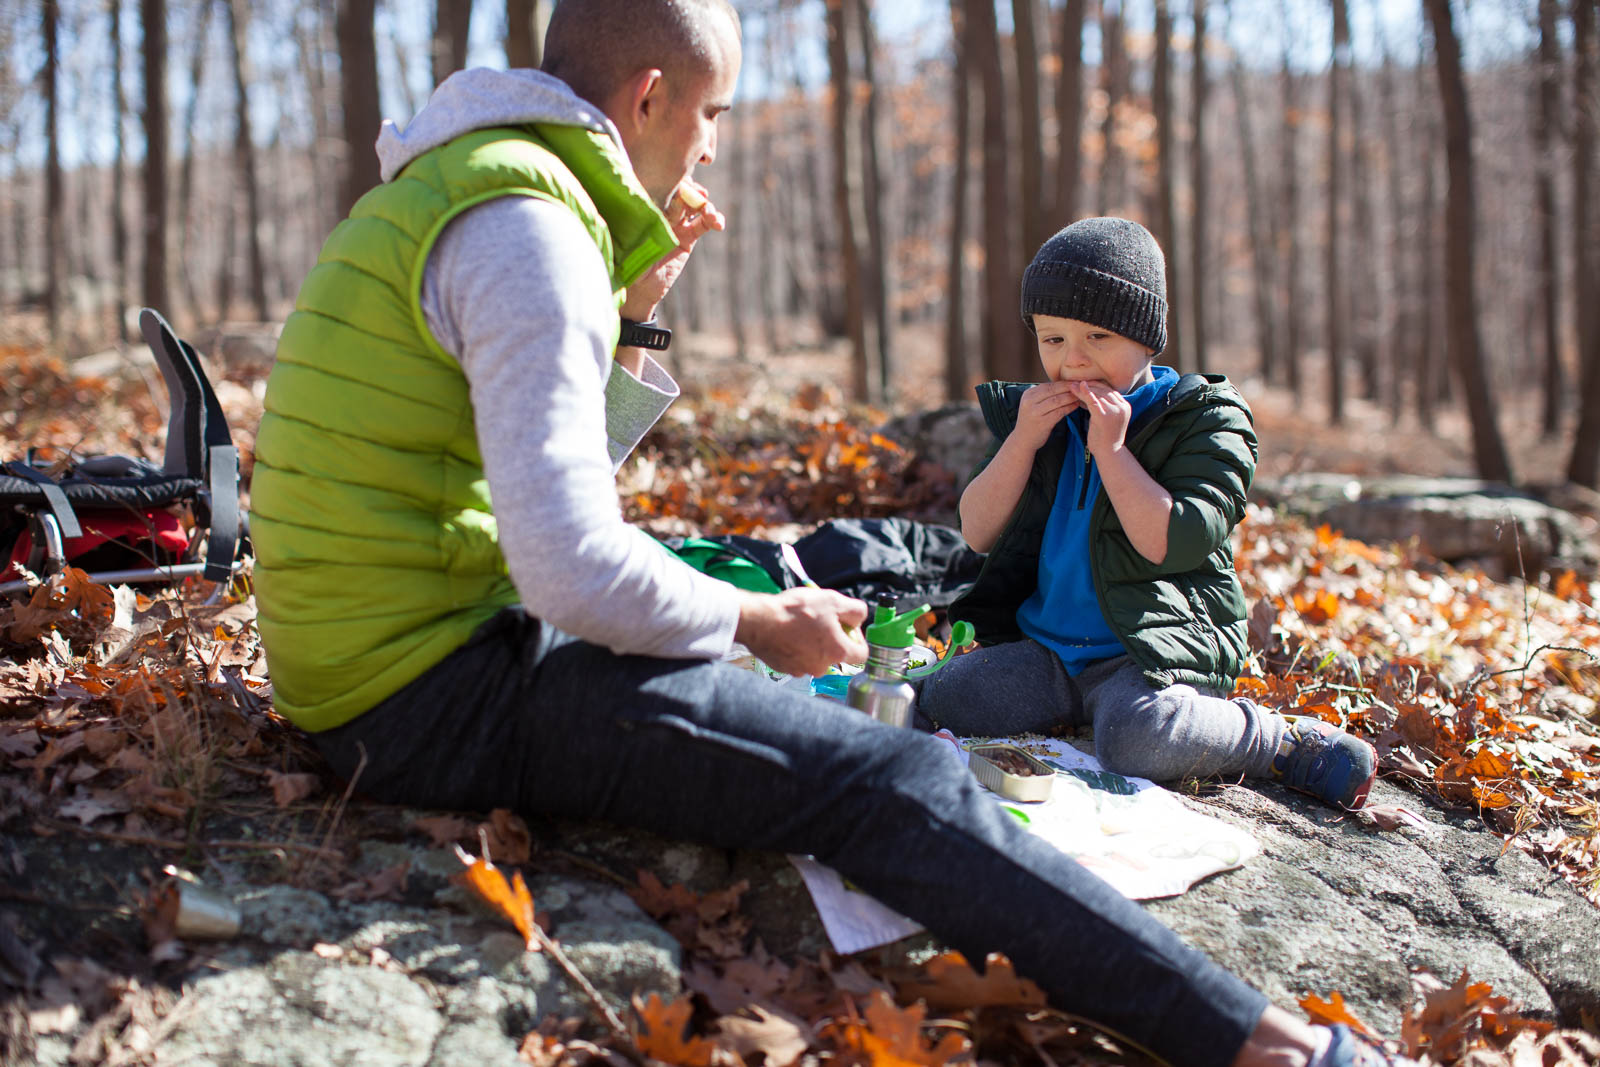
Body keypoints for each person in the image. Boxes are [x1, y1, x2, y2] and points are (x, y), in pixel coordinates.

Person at [248, 3, 1404, 1065]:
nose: (710, 150)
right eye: (711, 117)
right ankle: (1265, 1045)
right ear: (649, 97)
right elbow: (564, 562)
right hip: (421, 694)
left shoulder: (464, 185)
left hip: (384, 652)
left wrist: (639, 319)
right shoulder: (531, 234)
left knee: (760, 674)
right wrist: (761, 616)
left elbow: (528, 491)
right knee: (894, 779)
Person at [918, 217, 1377, 814]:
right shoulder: (1039, 420)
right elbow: (977, 531)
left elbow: (1170, 542)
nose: (1073, 362)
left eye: (1097, 339)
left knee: (1136, 738)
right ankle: (1072, 709)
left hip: (1150, 653)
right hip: (1051, 652)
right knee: (947, 694)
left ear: (1145, 338)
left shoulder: (1204, 420)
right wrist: (1021, 442)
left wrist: (1111, 451)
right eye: (1053, 340)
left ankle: (1278, 741)